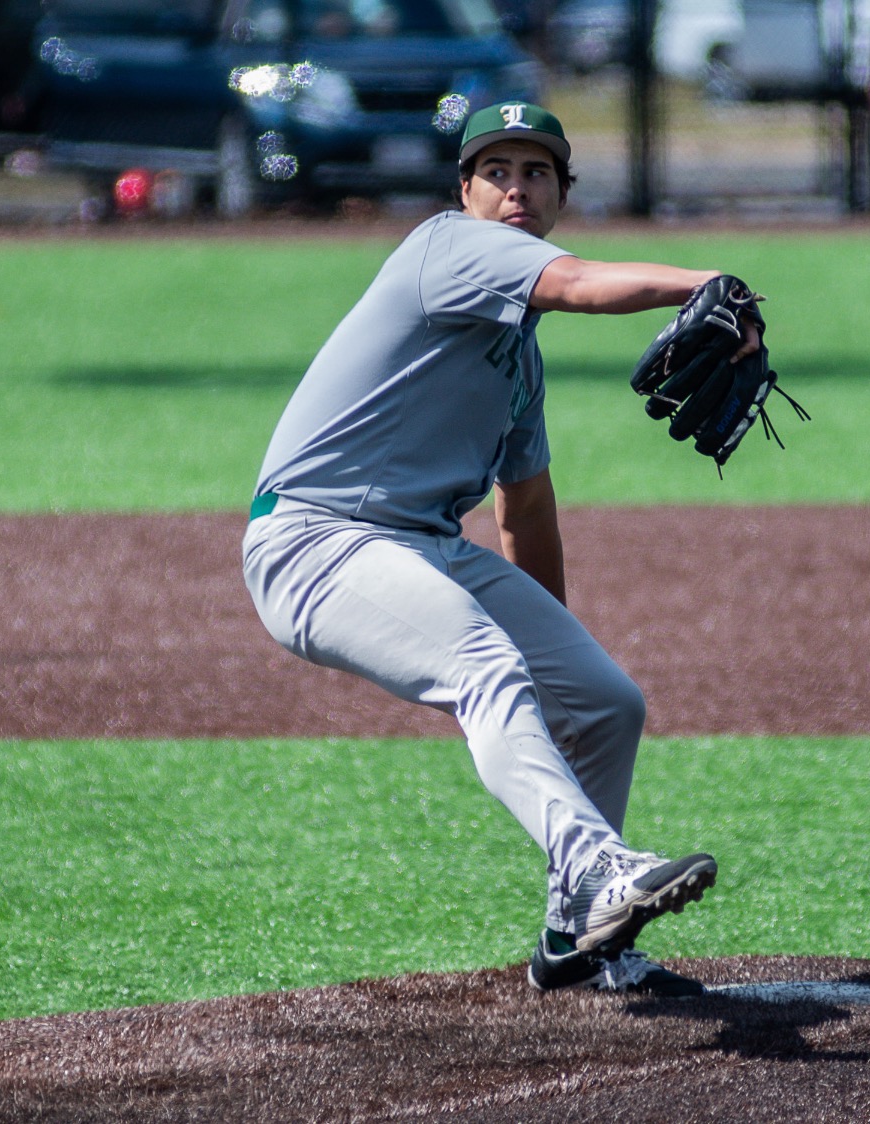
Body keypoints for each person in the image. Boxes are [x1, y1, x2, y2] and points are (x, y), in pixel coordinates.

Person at [241, 102, 760, 997]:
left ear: (561, 192)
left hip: (417, 546)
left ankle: (577, 933)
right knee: (484, 666)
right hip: (315, 540)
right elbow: (582, 282)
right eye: (497, 171)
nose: (516, 187)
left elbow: (526, 513)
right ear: (465, 193)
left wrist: (558, 648)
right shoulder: (449, 247)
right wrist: (706, 280)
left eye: (537, 172)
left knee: (604, 701)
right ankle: (596, 866)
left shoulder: (517, 360)